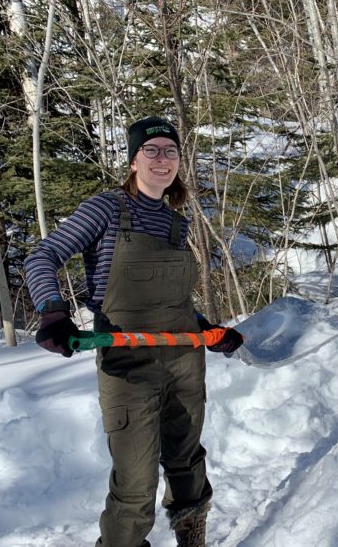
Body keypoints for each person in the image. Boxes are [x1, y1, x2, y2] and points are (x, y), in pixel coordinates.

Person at [24, 116, 244, 547]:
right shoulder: (105, 208)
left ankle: (192, 538)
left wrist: (208, 330)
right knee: (135, 481)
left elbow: (175, 301)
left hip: (183, 357)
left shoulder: (174, 224)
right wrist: (52, 310)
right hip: (127, 364)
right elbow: (42, 258)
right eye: (152, 150)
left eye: (171, 151)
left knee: (186, 460)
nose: (162, 160)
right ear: (132, 160)